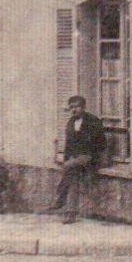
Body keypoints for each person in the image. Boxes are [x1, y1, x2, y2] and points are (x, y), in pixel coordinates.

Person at [49, 95, 105, 223]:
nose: (74, 110)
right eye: (71, 107)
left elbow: (101, 143)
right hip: (76, 159)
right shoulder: (71, 122)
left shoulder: (93, 121)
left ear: (83, 107)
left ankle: (59, 199)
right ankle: (70, 213)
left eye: (77, 107)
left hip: (90, 156)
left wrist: (87, 156)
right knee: (72, 174)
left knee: (68, 167)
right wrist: (67, 158)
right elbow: (68, 144)